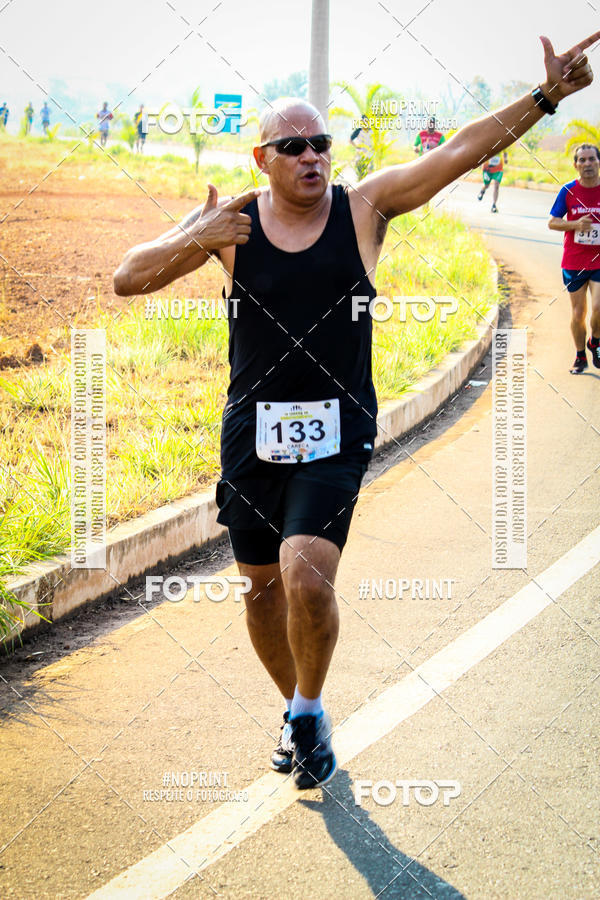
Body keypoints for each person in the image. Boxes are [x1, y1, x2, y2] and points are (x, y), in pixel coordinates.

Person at [114, 31, 598, 790]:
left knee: (305, 576)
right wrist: (194, 234)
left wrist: (546, 98)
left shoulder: (363, 209)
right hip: (250, 433)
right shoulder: (232, 225)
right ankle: (296, 710)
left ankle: (309, 711)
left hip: (336, 431)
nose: (312, 156)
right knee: (262, 592)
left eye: (322, 144)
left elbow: (458, 152)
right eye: (294, 146)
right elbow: (126, 278)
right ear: (263, 159)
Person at [548, 143, 600, 373]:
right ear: (575, 165)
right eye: (582, 160)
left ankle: (595, 342)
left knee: (598, 308)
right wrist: (576, 224)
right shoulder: (568, 191)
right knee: (579, 314)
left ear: (599, 162)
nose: (587, 164)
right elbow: (553, 222)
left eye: (592, 159)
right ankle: (580, 356)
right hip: (574, 262)